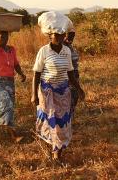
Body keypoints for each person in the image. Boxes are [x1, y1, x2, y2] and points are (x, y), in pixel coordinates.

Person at [33, 11, 84, 163]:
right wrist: (34, 95)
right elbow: (36, 74)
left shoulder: (67, 51)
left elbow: (70, 74)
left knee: (63, 122)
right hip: (47, 91)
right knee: (53, 121)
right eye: (56, 35)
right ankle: (56, 152)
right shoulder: (44, 51)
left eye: (62, 35)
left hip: (64, 92)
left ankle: (58, 148)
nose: (59, 38)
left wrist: (79, 89)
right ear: (50, 36)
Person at [0, 22, 27, 137]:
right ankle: (14, 135)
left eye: (6, 36)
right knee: (7, 105)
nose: (4, 39)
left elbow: (16, 64)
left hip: (9, 81)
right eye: (1, 37)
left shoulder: (11, 49)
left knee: (7, 107)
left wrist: (21, 74)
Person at [63, 18, 82, 114]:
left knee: (74, 96)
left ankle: (69, 117)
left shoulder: (70, 46)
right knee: (70, 96)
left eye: (72, 36)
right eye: (69, 35)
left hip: (74, 73)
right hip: (67, 75)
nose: (71, 38)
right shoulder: (62, 47)